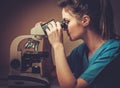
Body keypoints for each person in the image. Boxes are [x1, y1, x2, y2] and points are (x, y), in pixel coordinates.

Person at [36, 0, 120, 88]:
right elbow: (52, 73)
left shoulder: (113, 50)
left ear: (85, 20)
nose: (64, 28)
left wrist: (58, 46)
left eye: (66, 22)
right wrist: (48, 40)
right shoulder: (81, 51)